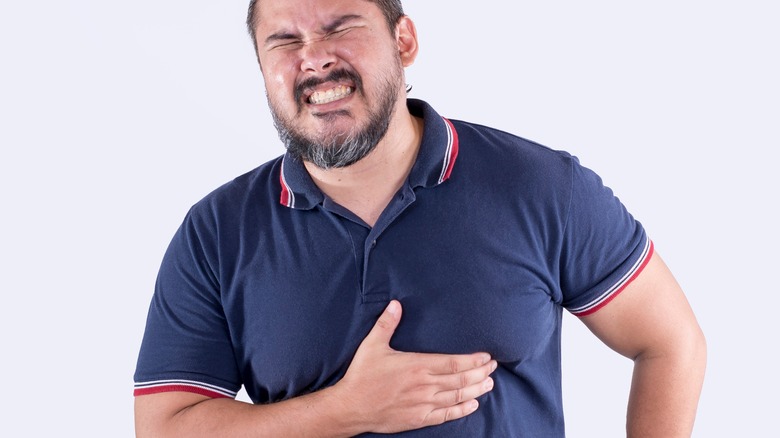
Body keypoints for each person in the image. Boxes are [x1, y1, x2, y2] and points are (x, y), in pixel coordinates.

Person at [134, 0, 706, 436]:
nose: (314, 57)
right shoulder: (215, 233)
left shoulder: (540, 187)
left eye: (340, 27)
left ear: (403, 40)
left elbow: (670, 341)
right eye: (284, 41)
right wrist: (344, 408)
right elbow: (166, 425)